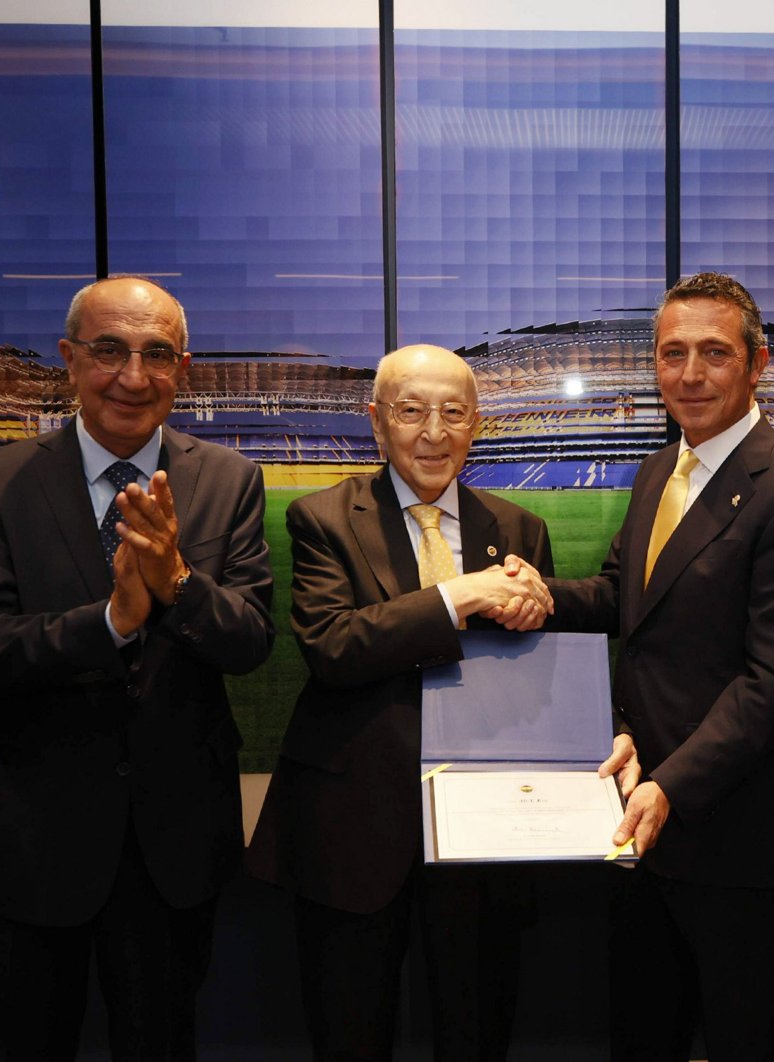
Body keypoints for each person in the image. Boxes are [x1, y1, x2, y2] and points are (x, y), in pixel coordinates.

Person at [0, 277, 275, 1060]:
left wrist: (179, 587)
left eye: (157, 354)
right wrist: (113, 623)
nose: (133, 376)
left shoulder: (229, 480)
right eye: (109, 351)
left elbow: (251, 642)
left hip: (174, 845)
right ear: (69, 360)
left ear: (182, 368)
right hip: (31, 842)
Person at [546, 272, 774, 1061]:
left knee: (744, 1040)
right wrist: (529, 596)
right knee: (643, 1035)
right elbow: (625, 600)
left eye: (713, 353)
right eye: (672, 353)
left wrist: (669, 785)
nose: (689, 373)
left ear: (758, 364)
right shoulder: (661, 470)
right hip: (640, 824)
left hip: (732, 837)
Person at [246, 343, 552, 1061]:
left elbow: (532, 674)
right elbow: (333, 647)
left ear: (477, 424)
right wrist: (458, 597)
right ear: (378, 423)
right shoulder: (323, 519)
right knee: (350, 1035)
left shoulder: (517, 530)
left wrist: (536, 608)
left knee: (476, 1033)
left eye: (453, 413)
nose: (433, 432)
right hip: (350, 832)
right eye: (412, 412)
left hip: (484, 834)